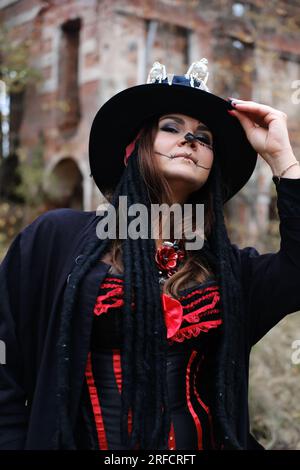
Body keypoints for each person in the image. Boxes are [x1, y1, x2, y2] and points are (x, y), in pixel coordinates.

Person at [0, 59, 300, 451]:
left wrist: (284, 159)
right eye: (171, 128)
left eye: (205, 138)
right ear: (132, 149)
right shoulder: (55, 238)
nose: (191, 140)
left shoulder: (227, 268)